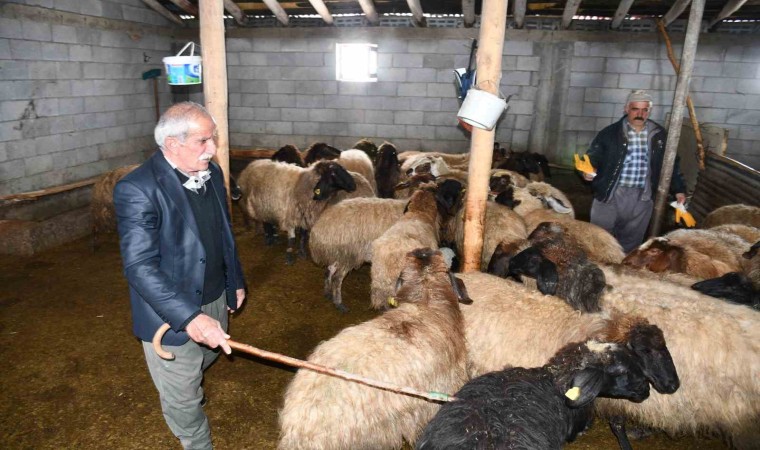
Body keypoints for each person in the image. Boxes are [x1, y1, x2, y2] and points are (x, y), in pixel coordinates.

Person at [114, 102, 246, 450]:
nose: (213, 149)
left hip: (214, 296)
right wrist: (189, 317)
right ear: (172, 143)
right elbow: (139, 266)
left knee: (207, 356)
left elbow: (222, 232)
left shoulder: (211, 171)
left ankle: (186, 381)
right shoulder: (138, 188)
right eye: (204, 141)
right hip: (169, 313)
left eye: (213, 139)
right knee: (183, 394)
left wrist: (234, 281)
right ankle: (197, 443)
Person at [583, 89, 686, 254]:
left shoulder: (659, 135)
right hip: (610, 193)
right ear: (626, 109)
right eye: (635, 109)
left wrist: (679, 189)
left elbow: (671, 163)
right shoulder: (610, 133)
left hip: (642, 197)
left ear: (649, 111)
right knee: (599, 238)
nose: (640, 114)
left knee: (631, 240)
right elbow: (593, 155)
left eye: (645, 110)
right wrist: (589, 169)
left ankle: (623, 266)